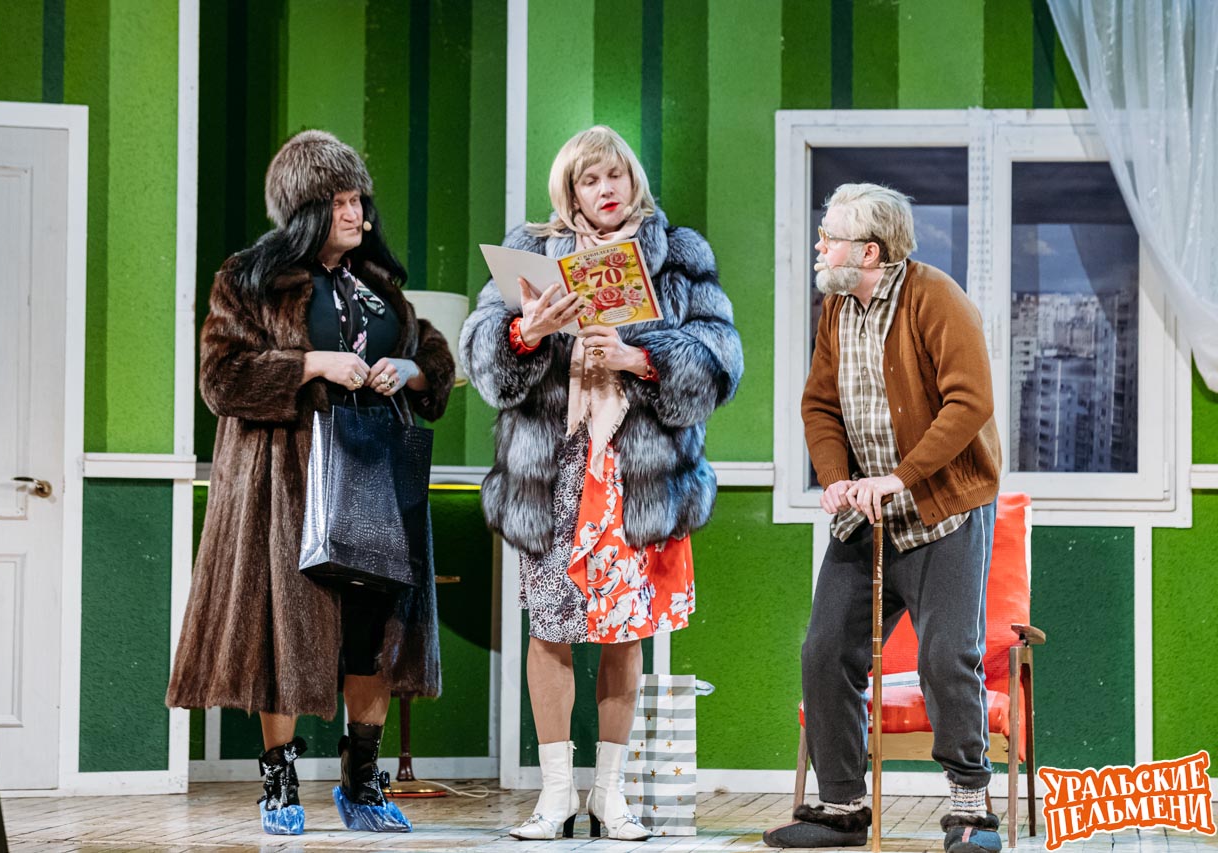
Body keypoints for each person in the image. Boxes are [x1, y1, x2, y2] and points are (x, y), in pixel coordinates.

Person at [165, 130, 455, 836]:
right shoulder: (249, 278)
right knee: (286, 632)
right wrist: (312, 365)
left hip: (375, 481)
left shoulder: (379, 286)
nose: (358, 214)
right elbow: (220, 378)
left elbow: (433, 361)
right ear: (305, 208)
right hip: (286, 489)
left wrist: (411, 372)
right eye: (341, 202)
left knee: (374, 633)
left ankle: (363, 780)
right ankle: (279, 780)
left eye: (359, 200)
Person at [461, 125, 743, 841]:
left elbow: (722, 360)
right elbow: (481, 354)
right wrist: (525, 334)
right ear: (571, 191)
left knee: (626, 630)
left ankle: (609, 796)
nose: (605, 189)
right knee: (550, 628)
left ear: (633, 180)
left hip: (635, 472)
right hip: (553, 470)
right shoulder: (531, 252)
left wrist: (640, 358)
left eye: (614, 175)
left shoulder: (680, 255)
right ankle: (557, 795)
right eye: (589, 179)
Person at [763, 183, 1002, 853]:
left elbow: (970, 401)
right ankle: (842, 808)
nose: (819, 245)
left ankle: (971, 810)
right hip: (867, 515)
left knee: (945, 656)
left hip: (941, 510)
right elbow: (819, 404)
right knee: (825, 650)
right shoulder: (838, 308)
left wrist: (899, 477)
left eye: (830, 236)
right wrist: (837, 479)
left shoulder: (935, 298)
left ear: (869, 251)